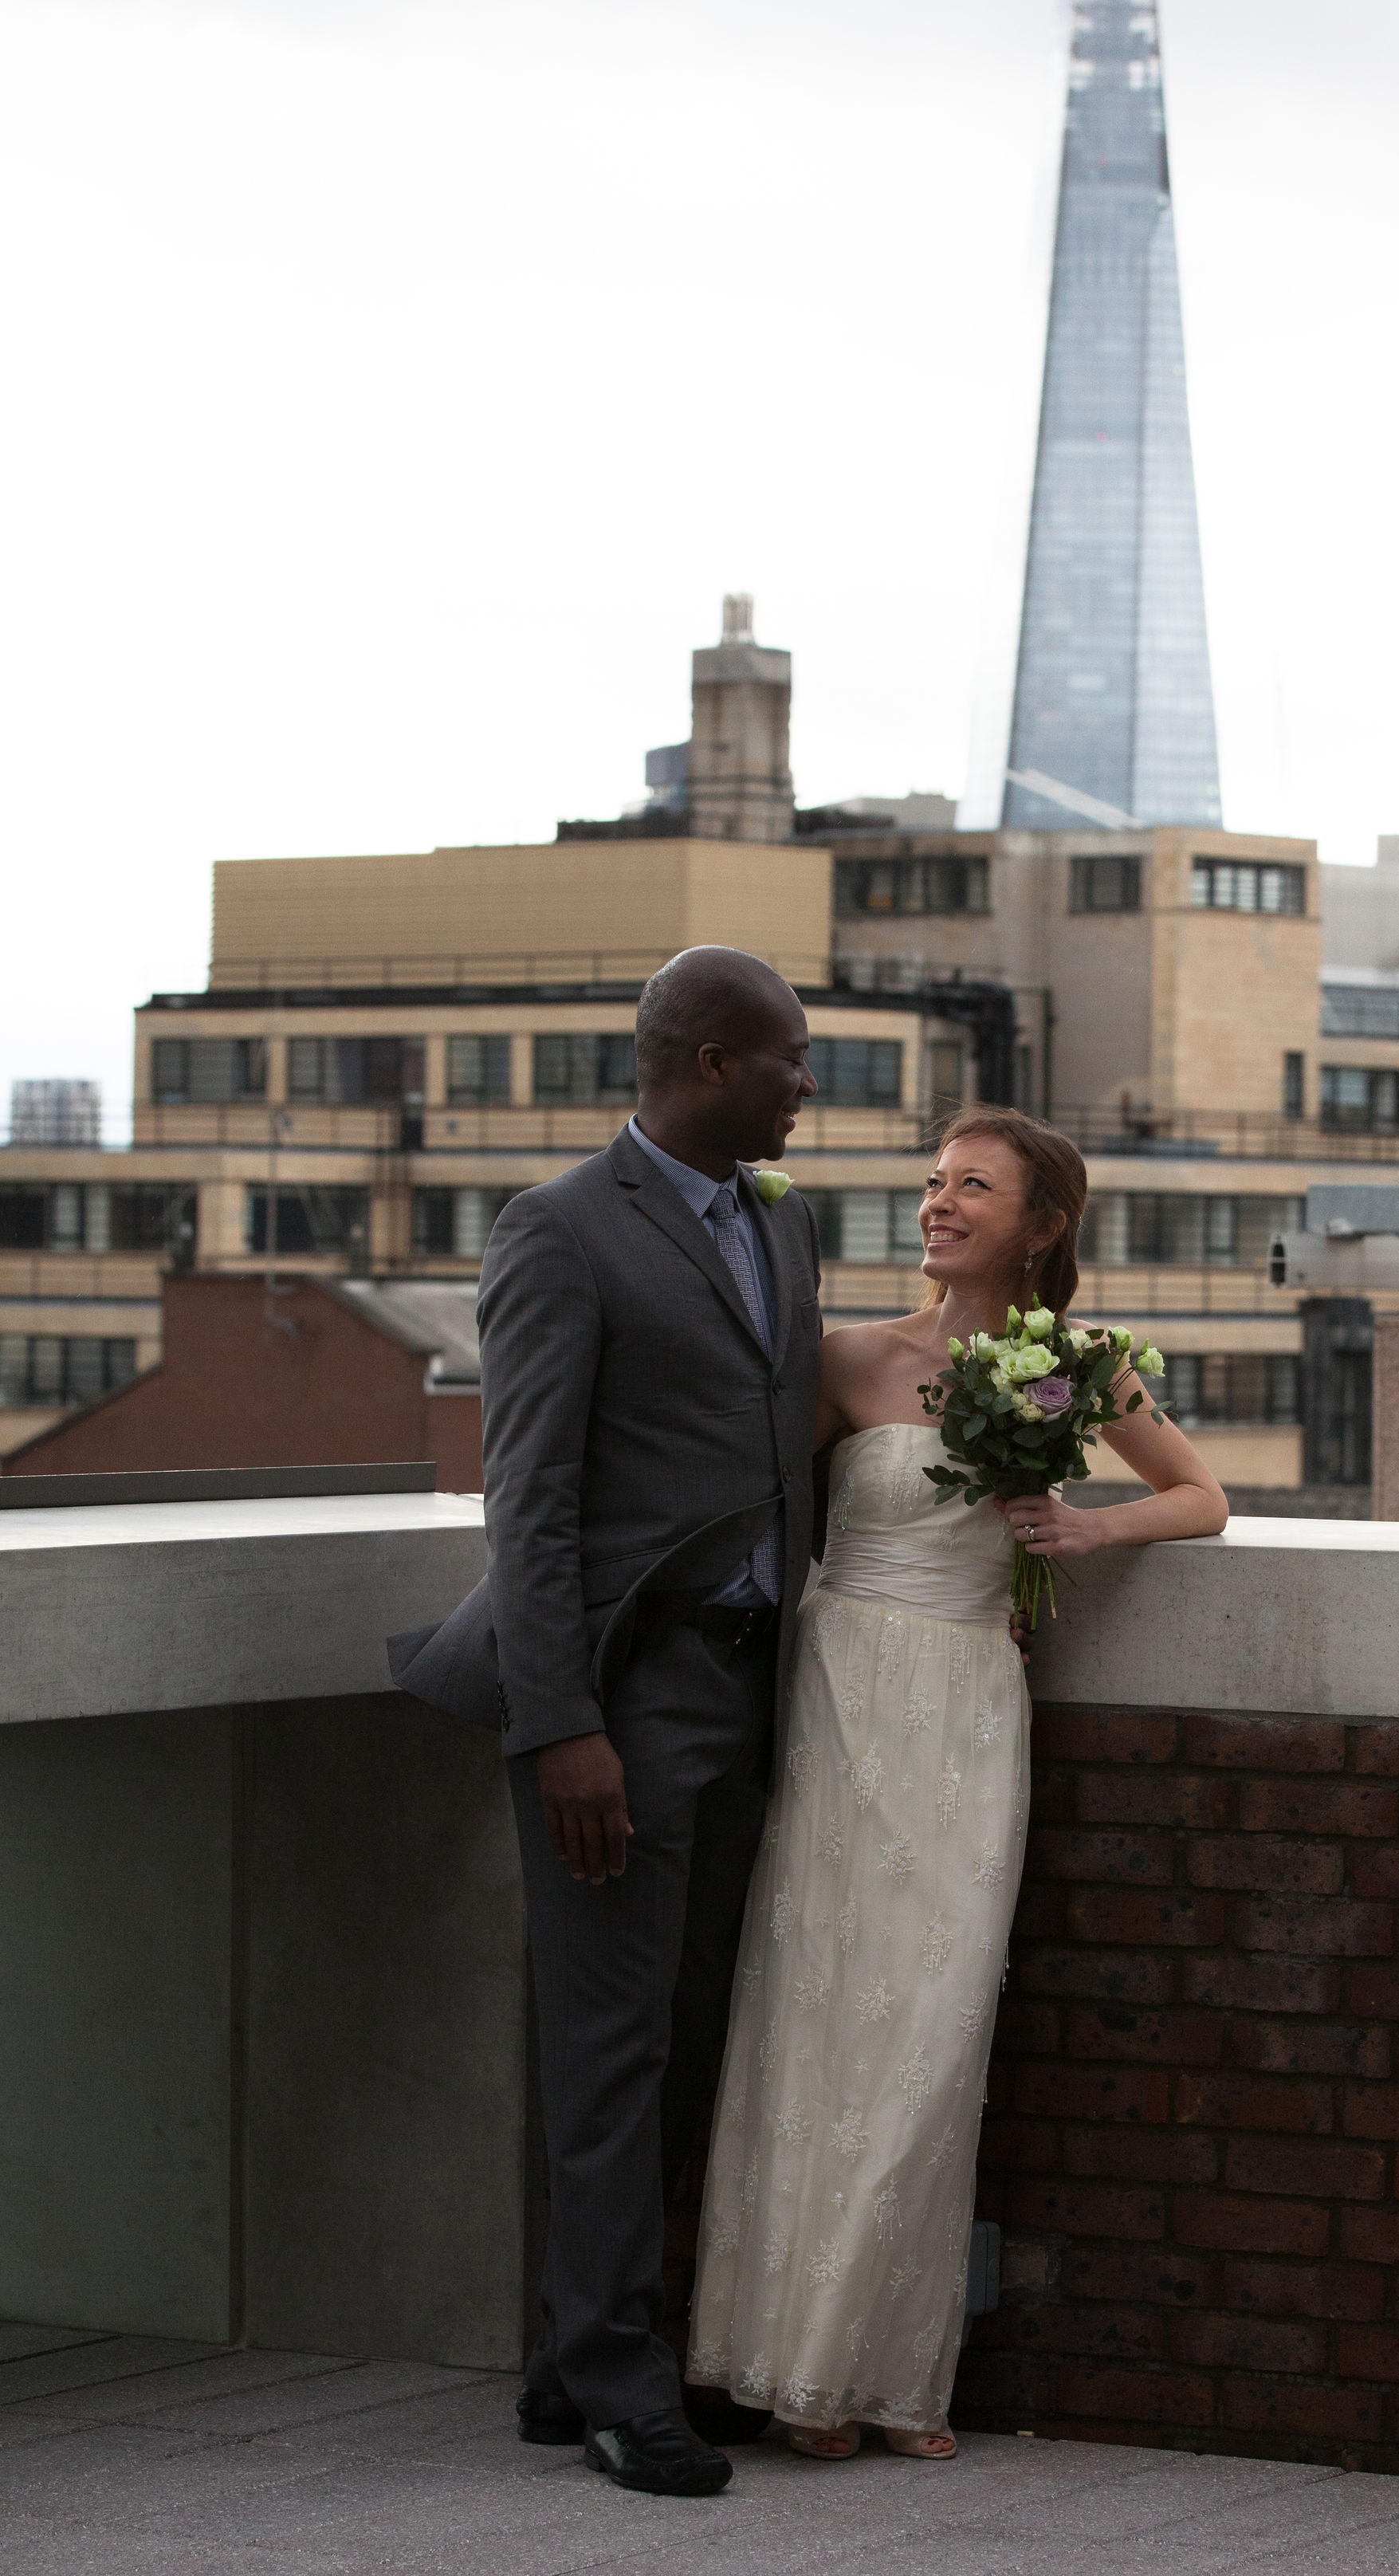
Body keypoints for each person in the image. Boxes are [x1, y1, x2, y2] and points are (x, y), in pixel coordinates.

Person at [686, 1103, 1226, 2458]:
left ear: (1041, 1225)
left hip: (971, 1709)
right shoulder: (848, 1357)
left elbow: (1202, 1498)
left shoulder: (1081, 1368)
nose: (939, 1203)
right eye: (934, 1181)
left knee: (931, 2029)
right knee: (814, 2012)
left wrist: (1083, 1532)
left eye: (973, 1185)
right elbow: (756, 1503)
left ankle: (871, 2368)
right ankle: (785, 2364)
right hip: (840, 1696)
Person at [387, 944, 822, 2499]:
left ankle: (575, 2356)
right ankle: (622, 2383)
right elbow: (533, 1499)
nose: (805, 1086)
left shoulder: (784, 1223)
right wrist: (561, 1724)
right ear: (707, 1061)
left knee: (691, 2035)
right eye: (786, 1059)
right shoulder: (559, 1229)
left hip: (753, 1692)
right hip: (620, 1702)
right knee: (610, 2046)